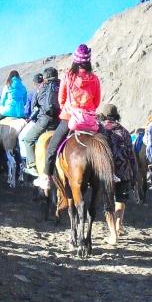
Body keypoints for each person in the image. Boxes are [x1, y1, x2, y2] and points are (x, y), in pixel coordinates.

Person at [35, 44, 102, 194]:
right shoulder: (95, 79)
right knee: (105, 143)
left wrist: (68, 109)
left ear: (75, 61)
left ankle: (46, 177)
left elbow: (61, 99)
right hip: (89, 120)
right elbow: (97, 101)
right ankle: (111, 171)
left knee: (52, 146)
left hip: (70, 118)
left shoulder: (68, 76)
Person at [99, 102, 138, 241]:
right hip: (123, 171)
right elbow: (131, 155)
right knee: (121, 199)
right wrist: (134, 174)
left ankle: (113, 234)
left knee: (108, 202)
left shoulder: (99, 131)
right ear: (116, 116)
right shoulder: (125, 131)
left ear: (103, 116)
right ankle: (118, 225)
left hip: (106, 172)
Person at [19, 67, 59, 176]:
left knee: (27, 139)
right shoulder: (61, 86)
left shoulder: (40, 89)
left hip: (44, 121)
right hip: (59, 121)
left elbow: (34, 108)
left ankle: (32, 166)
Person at [0, 70, 28, 141]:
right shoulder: (23, 87)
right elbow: (25, 101)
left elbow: (2, 101)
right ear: (18, 77)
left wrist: (1, 105)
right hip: (20, 113)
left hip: (8, 111)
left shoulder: (7, 86)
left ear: (10, 77)